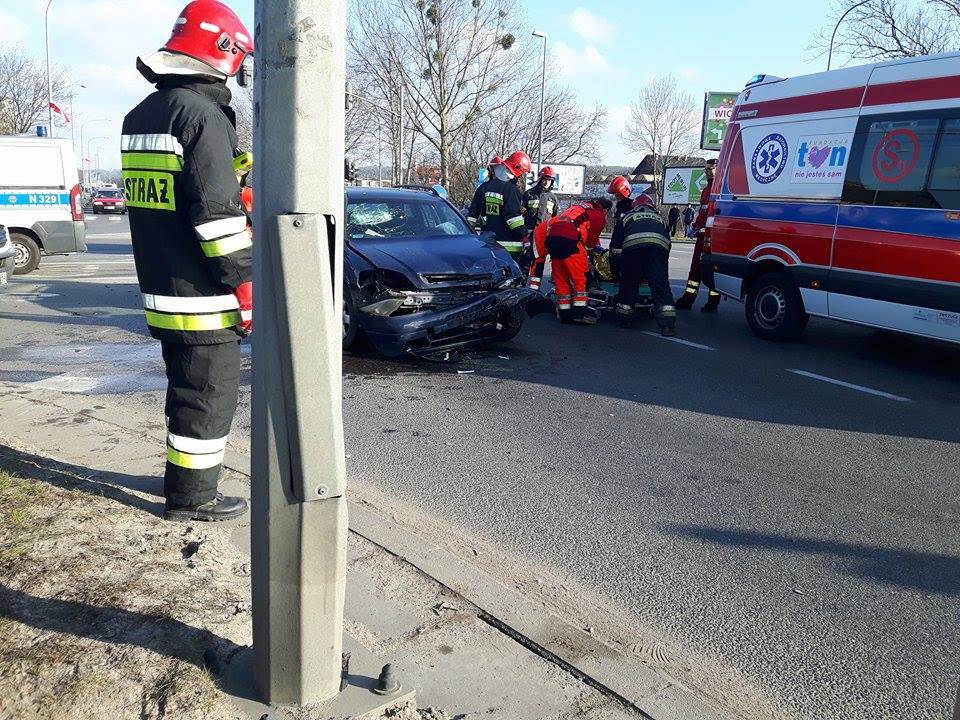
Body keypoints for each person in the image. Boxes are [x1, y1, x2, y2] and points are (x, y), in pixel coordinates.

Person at [123, 0, 253, 522]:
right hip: (203, 294)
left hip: (162, 285)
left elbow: (175, 194)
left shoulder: (143, 114)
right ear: (224, 52)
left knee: (184, 390)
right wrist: (245, 283)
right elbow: (216, 218)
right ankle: (193, 498)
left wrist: (232, 172)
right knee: (207, 396)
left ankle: (180, 482)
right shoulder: (201, 116)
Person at [527, 198, 611, 325]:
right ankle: (579, 313)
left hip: (553, 239)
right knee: (582, 278)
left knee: (561, 277)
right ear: (605, 209)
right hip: (570, 240)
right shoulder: (598, 215)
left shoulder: (578, 207)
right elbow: (591, 241)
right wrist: (592, 250)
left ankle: (564, 313)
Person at [610, 194, 676, 336]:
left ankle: (625, 319)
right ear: (652, 207)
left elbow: (615, 248)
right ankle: (668, 325)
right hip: (658, 251)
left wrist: (615, 270)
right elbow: (667, 245)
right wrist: (659, 268)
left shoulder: (626, 217)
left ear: (635, 206)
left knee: (629, 283)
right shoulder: (661, 219)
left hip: (633, 251)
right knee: (661, 286)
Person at [467, 151, 531, 261]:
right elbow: (513, 219)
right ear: (517, 170)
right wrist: (524, 236)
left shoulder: (488, 187)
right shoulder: (511, 189)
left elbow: (478, 215)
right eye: (522, 173)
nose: (521, 177)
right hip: (509, 246)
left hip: (489, 242)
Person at [676, 159, 721, 312]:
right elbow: (702, 213)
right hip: (702, 238)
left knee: (712, 271)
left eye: (710, 169)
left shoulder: (719, 189)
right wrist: (695, 227)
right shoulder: (706, 190)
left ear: (718, 169)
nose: (707, 172)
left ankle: (713, 303)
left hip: (713, 239)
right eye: (706, 169)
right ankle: (688, 300)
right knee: (695, 269)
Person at [522, 166, 560, 234]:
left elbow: (557, 218)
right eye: (545, 179)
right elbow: (520, 211)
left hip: (544, 233)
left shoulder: (553, 198)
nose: (547, 182)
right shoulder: (528, 194)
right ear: (540, 179)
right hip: (528, 232)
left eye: (549, 180)